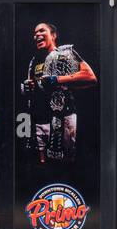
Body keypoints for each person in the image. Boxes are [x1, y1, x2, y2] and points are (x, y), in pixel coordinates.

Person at [21, 21, 97, 164]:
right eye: (35, 33)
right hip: (39, 121)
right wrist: (26, 87)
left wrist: (57, 79)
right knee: (40, 166)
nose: (37, 35)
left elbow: (90, 77)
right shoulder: (34, 61)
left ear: (53, 35)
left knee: (63, 164)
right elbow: (32, 89)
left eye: (42, 31)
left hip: (62, 119)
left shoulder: (65, 53)